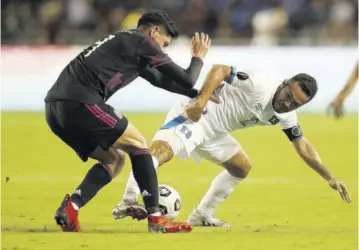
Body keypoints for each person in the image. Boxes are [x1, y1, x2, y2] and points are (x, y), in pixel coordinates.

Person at [113, 65, 352, 227]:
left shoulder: (286, 115)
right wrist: (201, 100)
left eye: (295, 104)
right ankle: (129, 200)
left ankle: (202, 215)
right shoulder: (260, 84)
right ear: (284, 84)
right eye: (288, 95)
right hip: (198, 116)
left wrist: (329, 177)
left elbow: (302, 146)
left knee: (241, 167)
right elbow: (220, 69)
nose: (287, 103)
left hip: (216, 133)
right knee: (161, 153)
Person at [44, 11, 211, 233]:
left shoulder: (128, 44)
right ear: (153, 32)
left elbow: (162, 81)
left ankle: (71, 208)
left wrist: (198, 94)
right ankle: (156, 218)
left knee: (114, 160)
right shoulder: (141, 41)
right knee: (138, 144)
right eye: (164, 43)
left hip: (55, 109)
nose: (162, 50)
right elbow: (187, 76)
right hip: (80, 101)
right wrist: (198, 57)